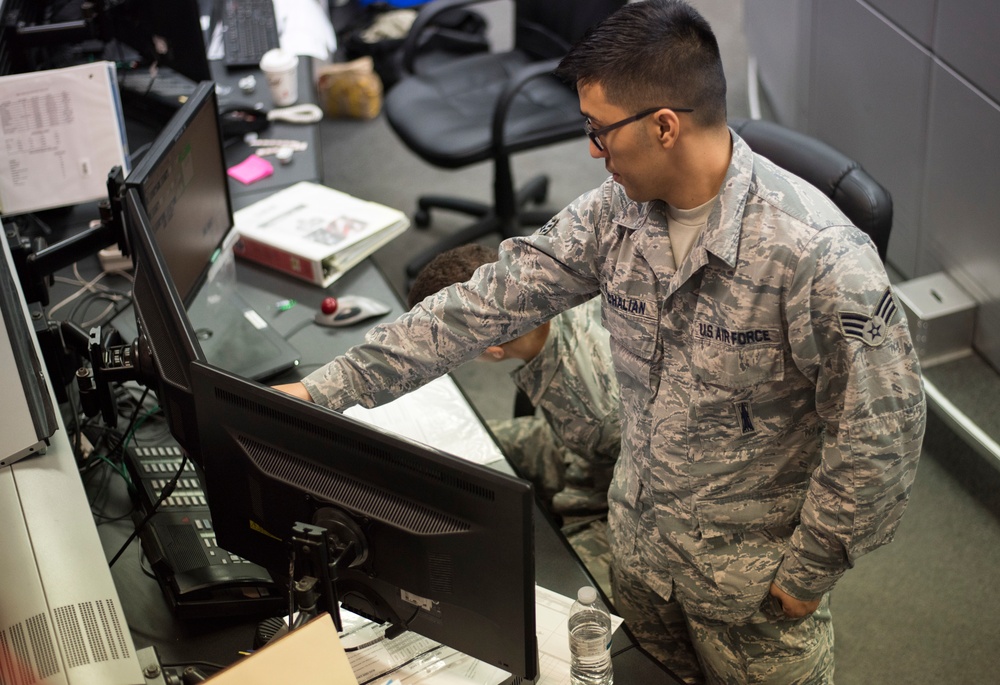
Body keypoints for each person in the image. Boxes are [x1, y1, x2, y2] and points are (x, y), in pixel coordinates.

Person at [275, 1, 926, 682]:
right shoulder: (617, 216)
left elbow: (881, 432)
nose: (591, 149)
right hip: (641, 556)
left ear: (665, 126)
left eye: (599, 130)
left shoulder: (818, 258)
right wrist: (324, 390)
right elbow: (478, 305)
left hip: (753, 598)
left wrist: (813, 566)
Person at [406, 243, 620, 520]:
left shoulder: (593, 410)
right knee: (443, 451)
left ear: (491, 351)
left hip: (615, 494)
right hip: (578, 443)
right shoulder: (565, 278)